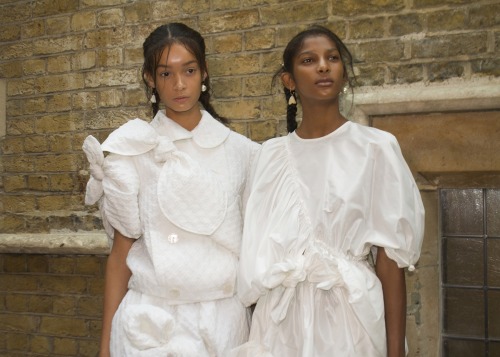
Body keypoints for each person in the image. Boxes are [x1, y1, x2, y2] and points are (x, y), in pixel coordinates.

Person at [232, 25, 425, 357]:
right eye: (309, 60)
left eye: (332, 58)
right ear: (289, 80)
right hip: (280, 325)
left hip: (352, 321)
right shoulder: (269, 157)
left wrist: (396, 352)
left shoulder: (376, 149)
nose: (323, 66)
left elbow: (390, 262)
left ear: (344, 73)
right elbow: (255, 256)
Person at [82, 22, 259, 356]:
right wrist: (104, 347)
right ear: (150, 79)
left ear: (204, 73)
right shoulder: (132, 150)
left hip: (223, 322)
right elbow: (121, 255)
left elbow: (254, 250)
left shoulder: (243, 153)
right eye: (166, 74)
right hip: (149, 323)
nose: (179, 84)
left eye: (189, 70)